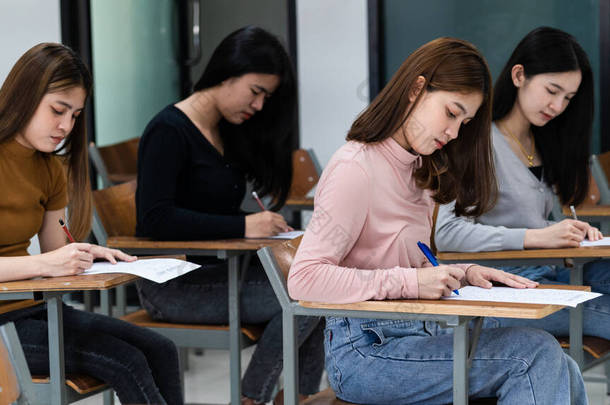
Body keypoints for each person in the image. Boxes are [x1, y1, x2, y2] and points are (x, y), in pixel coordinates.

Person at [288, 37, 587, 404]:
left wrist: (463, 272)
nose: (454, 132)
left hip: (418, 332)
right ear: (416, 89)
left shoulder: (418, 167)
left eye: (465, 121)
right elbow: (304, 278)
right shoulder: (356, 168)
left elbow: (406, 264)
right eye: (451, 113)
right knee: (533, 355)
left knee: (563, 366)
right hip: (366, 352)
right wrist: (411, 280)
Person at [136, 26, 324, 405]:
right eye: (255, 92)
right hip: (172, 287)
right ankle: (253, 398)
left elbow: (208, 208)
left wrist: (261, 226)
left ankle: (300, 397)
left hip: (223, 274)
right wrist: (243, 225)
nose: (257, 106)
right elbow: (155, 219)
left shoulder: (223, 131)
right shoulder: (169, 130)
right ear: (228, 71)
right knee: (308, 296)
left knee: (320, 284)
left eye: (265, 98)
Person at [0, 43, 183, 404]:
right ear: (25, 95)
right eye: (58, 110)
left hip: (33, 311)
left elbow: (57, 253)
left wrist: (86, 256)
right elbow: (47, 262)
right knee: (126, 361)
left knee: (161, 349)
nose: (66, 126)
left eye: (75, 115)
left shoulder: (49, 166)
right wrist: (44, 264)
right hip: (6, 325)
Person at [435, 26, 610, 340]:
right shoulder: (477, 140)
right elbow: (446, 233)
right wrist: (535, 237)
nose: (558, 106)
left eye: (568, 98)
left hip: (550, 272)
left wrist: (569, 233)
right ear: (519, 76)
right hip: (506, 285)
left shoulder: (542, 141)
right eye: (552, 90)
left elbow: (532, 220)